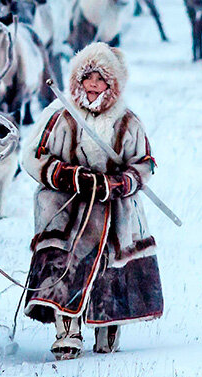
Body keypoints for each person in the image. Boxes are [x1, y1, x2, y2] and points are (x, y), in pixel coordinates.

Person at [20, 42, 163, 360]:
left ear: (112, 85)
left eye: (101, 80)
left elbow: (144, 162)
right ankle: (66, 329)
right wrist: (69, 176)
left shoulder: (127, 121)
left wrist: (123, 182)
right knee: (65, 264)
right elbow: (33, 156)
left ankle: (108, 322)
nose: (94, 85)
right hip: (66, 207)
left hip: (114, 207)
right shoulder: (60, 117)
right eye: (88, 78)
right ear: (78, 81)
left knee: (110, 265)